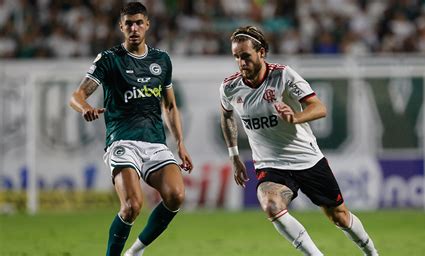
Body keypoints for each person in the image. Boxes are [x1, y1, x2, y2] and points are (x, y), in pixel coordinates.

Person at [220, 26, 379, 256]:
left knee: (339, 216)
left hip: (306, 158)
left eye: (246, 56)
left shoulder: (283, 75)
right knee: (271, 206)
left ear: (261, 52)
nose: (241, 62)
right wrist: (234, 155)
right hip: (270, 163)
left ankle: (372, 252)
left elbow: (319, 107)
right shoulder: (229, 87)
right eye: (236, 57)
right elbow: (226, 116)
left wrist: (295, 117)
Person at [69, 2, 193, 256]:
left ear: (147, 24)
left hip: (156, 143)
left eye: (139, 23)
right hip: (122, 142)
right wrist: (85, 109)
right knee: (132, 206)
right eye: (129, 24)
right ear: (121, 27)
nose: (134, 28)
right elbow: (77, 95)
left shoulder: (161, 60)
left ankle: (135, 250)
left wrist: (179, 142)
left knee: (176, 196)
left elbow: (169, 106)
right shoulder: (109, 59)